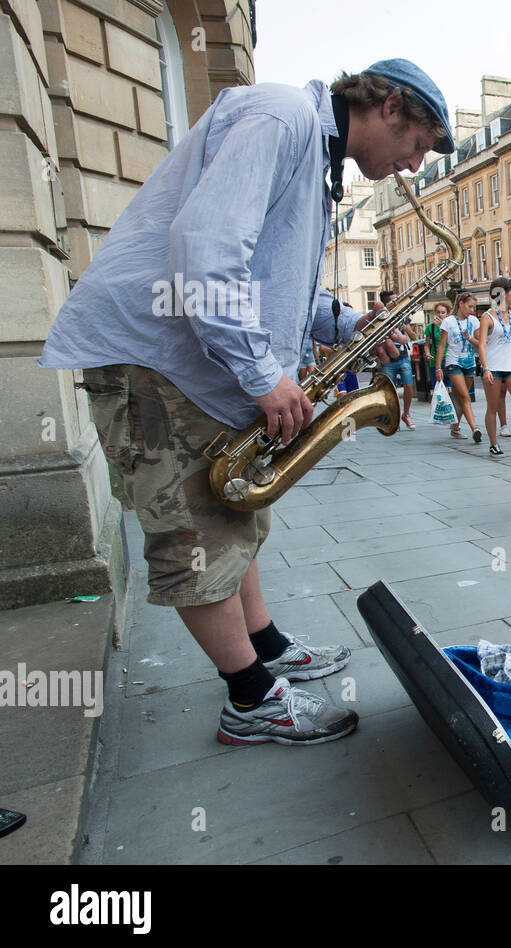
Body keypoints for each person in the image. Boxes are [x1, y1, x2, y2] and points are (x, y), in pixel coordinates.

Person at [38, 59, 454, 745]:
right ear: (390, 107)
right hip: (159, 361)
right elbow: (204, 249)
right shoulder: (283, 116)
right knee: (192, 533)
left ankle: (265, 645)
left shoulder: (314, 156)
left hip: (193, 365)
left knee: (233, 508)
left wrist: (350, 323)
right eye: (417, 145)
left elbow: (272, 276)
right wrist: (262, 374)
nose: (413, 166)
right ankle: (251, 700)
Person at [478, 278, 511, 457]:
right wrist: (485, 369)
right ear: (502, 294)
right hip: (494, 368)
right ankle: (494, 444)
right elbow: (482, 344)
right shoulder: (487, 317)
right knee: (493, 407)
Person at [436, 291, 482, 441]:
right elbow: (442, 346)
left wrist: (469, 338)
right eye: (470, 307)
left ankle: (455, 428)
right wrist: (438, 367)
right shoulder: (448, 321)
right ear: (461, 304)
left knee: (460, 398)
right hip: (453, 362)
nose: (472, 310)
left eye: (474, 307)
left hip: (469, 362)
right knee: (465, 396)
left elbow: (480, 343)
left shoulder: (474, 321)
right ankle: (475, 428)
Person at [370, 290, 417, 428]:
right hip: (388, 360)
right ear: (386, 303)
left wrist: (405, 327)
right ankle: (393, 416)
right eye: (394, 300)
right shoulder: (379, 319)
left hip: (403, 357)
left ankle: (406, 414)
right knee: (390, 390)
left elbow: (413, 337)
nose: (398, 301)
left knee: (408, 385)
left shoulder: (401, 317)